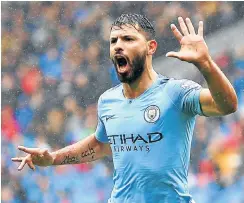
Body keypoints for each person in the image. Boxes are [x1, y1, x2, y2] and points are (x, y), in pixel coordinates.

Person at [12, 13, 237, 203]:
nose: (118, 45)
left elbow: (226, 105)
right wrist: (53, 158)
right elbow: (100, 145)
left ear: (151, 47)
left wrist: (205, 64)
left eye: (128, 39)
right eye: (114, 41)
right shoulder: (107, 101)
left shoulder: (177, 92)